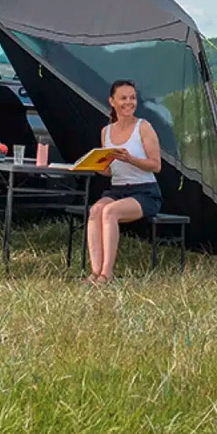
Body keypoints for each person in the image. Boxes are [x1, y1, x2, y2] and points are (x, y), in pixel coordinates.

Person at [84, 79, 164, 285]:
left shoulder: (143, 127)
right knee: (95, 211)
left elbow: (156, 165)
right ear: (112, 101)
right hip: (117, 189)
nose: (129, 102)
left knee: (110, 212)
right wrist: (93, 165)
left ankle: (106, 274)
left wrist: (131, 159)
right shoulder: (106, 131)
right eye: (124, 98)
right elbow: (110, 171)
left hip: (144, 192)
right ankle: (95, 272)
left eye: (133, 98)